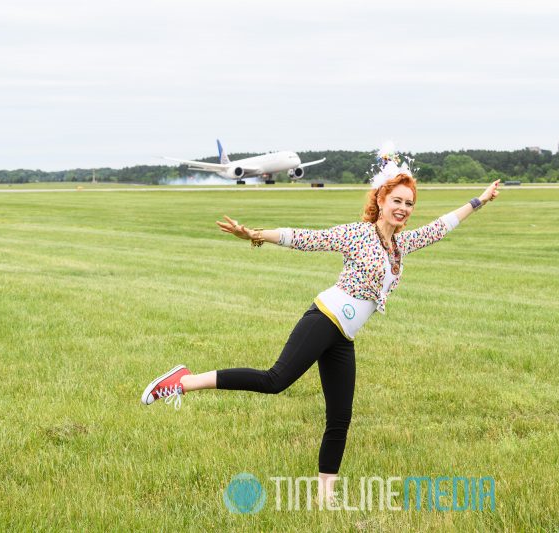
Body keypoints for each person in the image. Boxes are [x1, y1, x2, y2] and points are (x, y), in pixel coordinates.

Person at [141, 147, 500, 505]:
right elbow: (306, 238)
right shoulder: (358, 234)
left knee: (340, 417)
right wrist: (254, 234)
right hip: (324, 318)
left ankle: (323, 498)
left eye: (409, 203)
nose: (404, 209)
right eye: (398, 200)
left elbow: (441, 227)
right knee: (275, 380)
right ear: (381, 198)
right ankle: (183, 382)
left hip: (343, 337)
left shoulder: (399, 246)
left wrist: (479, 200)